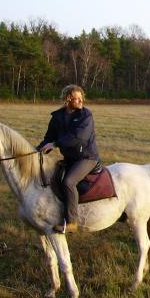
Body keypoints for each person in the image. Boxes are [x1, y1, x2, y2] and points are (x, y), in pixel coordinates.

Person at [37, 85, 101, 233]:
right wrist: (37, 150)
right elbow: (48, 138)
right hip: (70, 158)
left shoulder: (86, 116)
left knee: (69, 182)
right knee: (51, 179)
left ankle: (72, 222)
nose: (80, 101)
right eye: (76, 98)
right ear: (68, 99)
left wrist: (56, 144)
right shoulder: (57, 117)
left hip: (87, 158)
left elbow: (79, 137)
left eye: (81, 98)